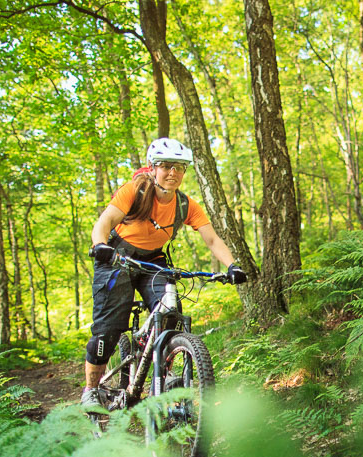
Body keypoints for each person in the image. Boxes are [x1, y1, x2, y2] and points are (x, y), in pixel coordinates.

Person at [81, 138, 247, 408]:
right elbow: (105, 221)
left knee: (170, 311)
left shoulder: (185, 205)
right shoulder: (134, 192)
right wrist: (100, 245)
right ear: (153, 168)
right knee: (107, 332)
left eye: (179, 167)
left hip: (153, 261)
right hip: (117, 258)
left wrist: (232, 266)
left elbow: (212, 239)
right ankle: (90, 390)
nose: (173, 173)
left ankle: (164, 373)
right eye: (166, 166)